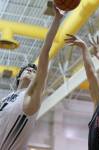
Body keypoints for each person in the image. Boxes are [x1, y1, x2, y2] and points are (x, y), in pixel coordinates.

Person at [0, 6, 64, 150]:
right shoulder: (6, 98)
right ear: (19, 76)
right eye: (27, 69)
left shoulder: (30, 96)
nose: (30, 69)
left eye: (34, 70)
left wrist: (57, 19)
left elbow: (45, 51)